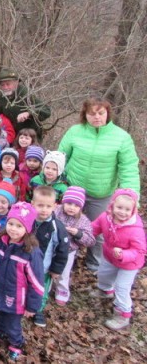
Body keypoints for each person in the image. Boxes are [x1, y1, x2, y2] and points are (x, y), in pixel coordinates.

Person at [58, 96, 140, 272]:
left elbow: (128, 169)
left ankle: (94, 264)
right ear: (85, 115)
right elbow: (60, 157)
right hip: (73, 189)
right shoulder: (75, 131)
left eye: (100, 113)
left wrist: (132, 197)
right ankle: (64, 258)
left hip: (101, 193)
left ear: (107, 114)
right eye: (92, 113)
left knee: (102, 230)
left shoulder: (121, 137)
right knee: (66, 225)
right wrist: (54, 180)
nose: (96, 117)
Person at [0, 202, 44, 361]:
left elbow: (36, 281)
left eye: (19, 226)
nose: (13, 229)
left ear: (28, 229)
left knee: (13, 323)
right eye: (11, 223)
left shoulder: (30, 252)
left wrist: (32, 305)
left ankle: (16, 343)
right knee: (0, 312)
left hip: (16, 296)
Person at [90, 188, 146, 330]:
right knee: (103, 274)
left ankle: (123, 314)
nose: (122, 212)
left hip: (130, 264)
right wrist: (83, 235)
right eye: (119, 207)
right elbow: (94, 228)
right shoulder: (105, 217)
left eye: (127, 209)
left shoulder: (135, 228)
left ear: (133, 210)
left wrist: (123, 255)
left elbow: (140, 250)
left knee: (122, 287)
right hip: (109, 256)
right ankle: (105, 290)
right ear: (112, 205)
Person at [30, 186, 70, 328]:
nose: (44, 210)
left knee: (41, 289)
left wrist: (56, 269)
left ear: (54, 206)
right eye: (40, 205)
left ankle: (38, 310)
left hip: (44, 267)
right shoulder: (28, 220)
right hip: (26, 263)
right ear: (33, 204)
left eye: (48, 206)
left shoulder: (57, 227)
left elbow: (62, 250)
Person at [54, 187, 95, 306]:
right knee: (48, 267)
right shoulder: (56, 211)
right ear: (63, 202)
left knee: (64, 272)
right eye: (69, 203)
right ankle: (46, 285)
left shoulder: (83, 220)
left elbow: (90, 240)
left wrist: (78, 233)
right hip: (53, 246)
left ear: (81, 207)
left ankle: (62, 291)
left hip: (68, 250)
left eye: (76, 205)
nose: (72, 207)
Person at [0, 68, 51, 140]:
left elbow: (46, 110)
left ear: (17, 82)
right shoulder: (1, 97)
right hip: (12, 138)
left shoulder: (26, 94)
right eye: (2, 85)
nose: (5, 87)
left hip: (30, 137)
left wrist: (28, 113)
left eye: (8, 84)